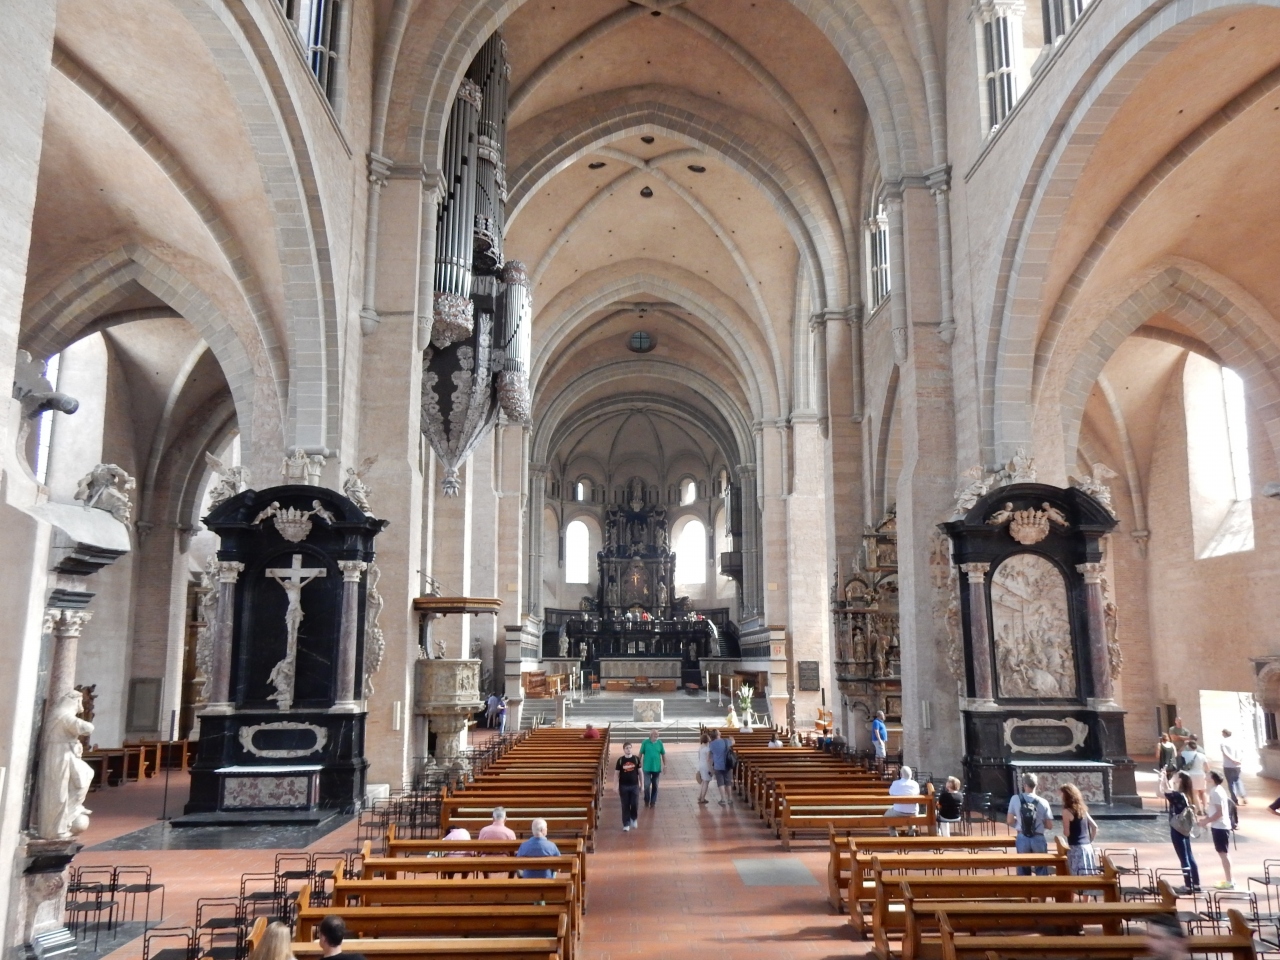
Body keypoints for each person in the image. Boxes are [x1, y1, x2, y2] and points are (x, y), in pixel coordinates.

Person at [1006, 772, 1054, 876]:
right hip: (1038, 837)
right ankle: (1042, 886)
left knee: (1023, 867)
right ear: (1036, 785)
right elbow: (1050, 825)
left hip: (1022, 836)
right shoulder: (1043, 802)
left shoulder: (1015, 799)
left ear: (1024, 785)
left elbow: (1009, 821)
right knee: (1041, 867)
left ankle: (1025, 886)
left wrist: (1020, 821)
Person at [1160, 768, 1200, 892]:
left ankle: (1188, 886)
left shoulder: (1178, 796)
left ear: (1180, 779)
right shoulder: (1185, 794)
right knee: (1189, 855)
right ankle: (1196, 884)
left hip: (1177, 828)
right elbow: (1168, 790)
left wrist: (1163, 778)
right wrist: (1165, 778)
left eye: (1176, 775)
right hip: (1185, 828)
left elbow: (1164, 791)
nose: (1174, 776)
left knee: (1183, 858)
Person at [1199, 770, 1234, 889]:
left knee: (1223, 853)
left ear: (1212, 779)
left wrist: (1206, 821)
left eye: (1208, 775)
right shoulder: (1216, 790)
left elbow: (1220, 812)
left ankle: (1230, 881)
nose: (1206, 775)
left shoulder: (1216, 792)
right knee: (1222, 853)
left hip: (1220, 826)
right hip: (1218, 825)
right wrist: (1207, 819)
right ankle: (1229, 879)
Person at [1059, 783, 1099, 875]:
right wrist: (1090, 840)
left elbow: (1067, 833)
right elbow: (1094, 827)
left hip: (1076, 848)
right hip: (1087, 847)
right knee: (1088, 876)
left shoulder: (1066, 811)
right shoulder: (1082, 809)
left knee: (1077, 876)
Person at [886, 765, 920, 836]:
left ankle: (893, 833)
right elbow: (917, 793)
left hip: (898, 812)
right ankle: (911, 831)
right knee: (911, 812)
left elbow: (890, 793)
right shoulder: (915, 784)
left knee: (886, 816)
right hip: (913, 812)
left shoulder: (895, 783)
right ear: (911, 774)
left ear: (901, 774)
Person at [616, 742, 641, 830]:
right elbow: (616, 774)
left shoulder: (636, 759)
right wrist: (615, 785)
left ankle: (633, 818)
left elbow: (640, 772)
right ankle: (626, 824)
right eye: (626, 748)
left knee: (634, 803)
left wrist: (642, 784)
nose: (628, 749)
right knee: (625, 805)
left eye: (630, 748)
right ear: (624, 749)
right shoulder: (620, 760)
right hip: (623, 786)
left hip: (634, 785)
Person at [639, 728, 666, 808]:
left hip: (656, 768)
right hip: (647, 767)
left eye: (657, 735)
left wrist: (665, 765)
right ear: (651, 735)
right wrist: (637, 763)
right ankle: (647, 799)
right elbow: (640, 753)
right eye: (655, 735)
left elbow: (663, 754)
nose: (656, 736)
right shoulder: (645, 742)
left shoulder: (660, 743)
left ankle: (653, 802)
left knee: (655, 785)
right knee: (646, 784)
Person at [1220, 728, 1246, 808]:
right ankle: (1243, 795)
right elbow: (1242, 751)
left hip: (1228, 765)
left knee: (1230, 782)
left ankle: (1234, 798)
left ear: (1224, 734)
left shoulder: (1223, 742)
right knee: (1238, 780)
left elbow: (1225, 753)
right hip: (1238, 765)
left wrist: (1232, 760)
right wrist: (1239, 760)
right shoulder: (1237, 741)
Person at [1180, 738, 1208, 807]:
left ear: (1188, 746)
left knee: (1195, 793)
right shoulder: (1202, 755)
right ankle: (1205, 807)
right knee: (1203, 792)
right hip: (1201, 774)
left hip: (1191, 774)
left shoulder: (1185, 753)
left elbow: (1178, 753)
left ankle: (1199, 809)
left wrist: (1184, 744)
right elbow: (1207, 767)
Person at [708, 728, 733, 805]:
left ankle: (723, 799)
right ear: (718, 734)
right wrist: (731, 738)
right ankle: (730, 798)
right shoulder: (725, 741)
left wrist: (711, 768)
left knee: (720, 783)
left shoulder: (711, 744)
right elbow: (733, 742)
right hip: (727, 764)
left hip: (717, 765)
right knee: (728, 782)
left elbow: (710, 756)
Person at [696, 732, 714, 804]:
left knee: (703, 781)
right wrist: (711, 769)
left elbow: (699, 757)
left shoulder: (700, 747)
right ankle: (703, 798)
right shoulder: (707, 749)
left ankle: (700, 796)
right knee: (706, 782)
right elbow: (708, 760)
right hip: (706, 766)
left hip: (701, 765)